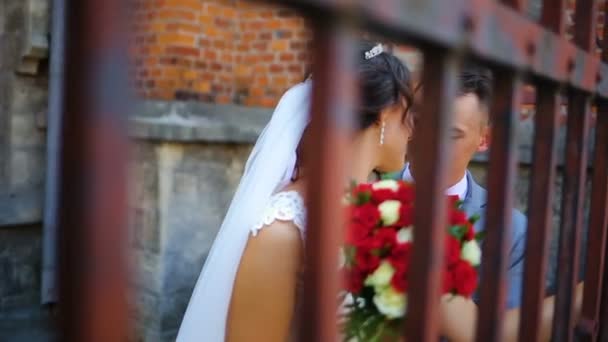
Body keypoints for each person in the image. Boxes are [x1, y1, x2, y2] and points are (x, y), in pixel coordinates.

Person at [176, 41, 416, 342]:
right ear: (385, 113)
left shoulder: (381, 211)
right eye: (409, 113)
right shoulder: (283, 231)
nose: (413, 129)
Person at [404, 65, 527, 309]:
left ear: (484, 140)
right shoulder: (366, 186)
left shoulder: (511, 230)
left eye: (451, 134)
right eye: (419, 123)